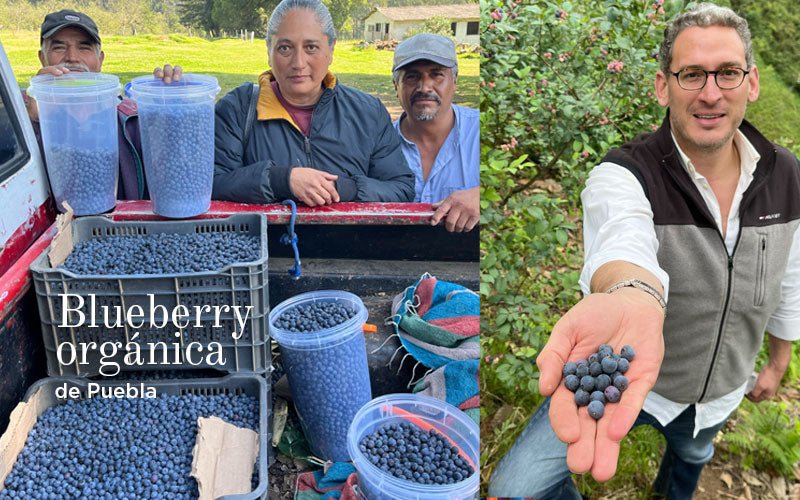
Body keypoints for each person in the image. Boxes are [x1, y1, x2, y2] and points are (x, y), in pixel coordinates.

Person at [488, 3, 800, 498]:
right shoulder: (625, 175)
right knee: (515, 487)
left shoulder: (787, 175)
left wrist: (779, 360)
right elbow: (621, 237)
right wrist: (633, 292)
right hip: (635, 380)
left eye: (728, 73)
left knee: (691, 458)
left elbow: (789, 276)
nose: (711, 92)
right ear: (663, 86)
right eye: (691, 74)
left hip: (718, 394)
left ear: (752, 82)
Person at [212, 0, 414, 206]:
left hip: (354, 239)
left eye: (311, 47)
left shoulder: (368, 112)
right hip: (266, 238)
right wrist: (280, 180)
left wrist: (345, 189)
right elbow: (211, 181)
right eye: (284, 48)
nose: (298, 63)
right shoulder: (238, 109)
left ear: (331, 49)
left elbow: (400, 189)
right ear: (268, 51)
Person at [24, 9, 181, 200]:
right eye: (59, 47)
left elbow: (175, 178)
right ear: (42, 58)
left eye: (84, 47)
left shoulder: (132, 119)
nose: (72, 57)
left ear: (100, 60)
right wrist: (32, 122)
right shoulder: (15, 115)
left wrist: (172, 109)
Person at [391, 34, 479, 233]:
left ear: (455, 81)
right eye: (412, 76)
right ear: (396, 86)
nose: (425, 87)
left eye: (436, 74)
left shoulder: (481, 132)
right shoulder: (380, 145)